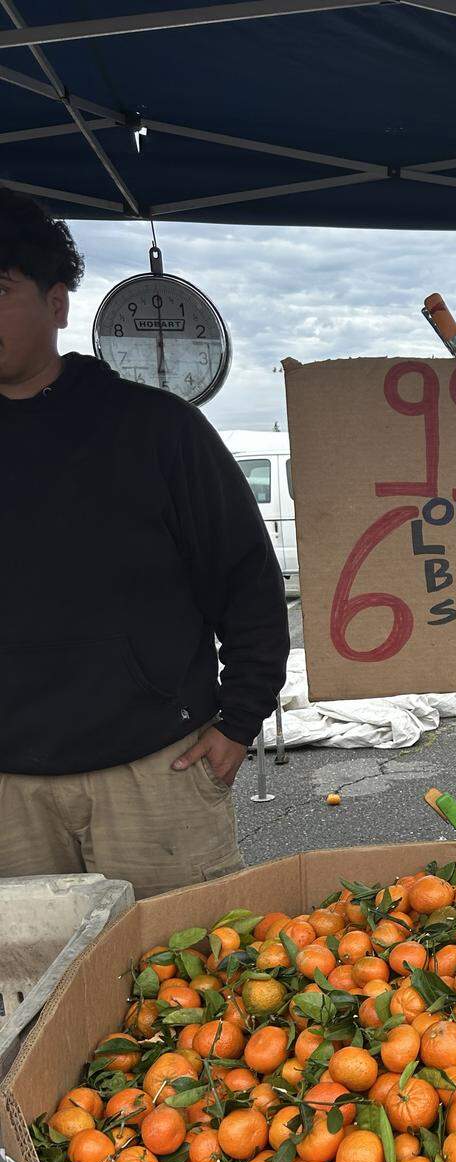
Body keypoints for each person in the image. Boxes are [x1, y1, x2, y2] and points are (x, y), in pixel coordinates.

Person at [0, 188, 289, 897]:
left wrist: (241, 718)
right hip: (8, 793)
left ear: (58, 302)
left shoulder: (157, 430)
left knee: (189, 989)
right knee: (34, 999)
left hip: (157, 771)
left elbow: (248, 581)